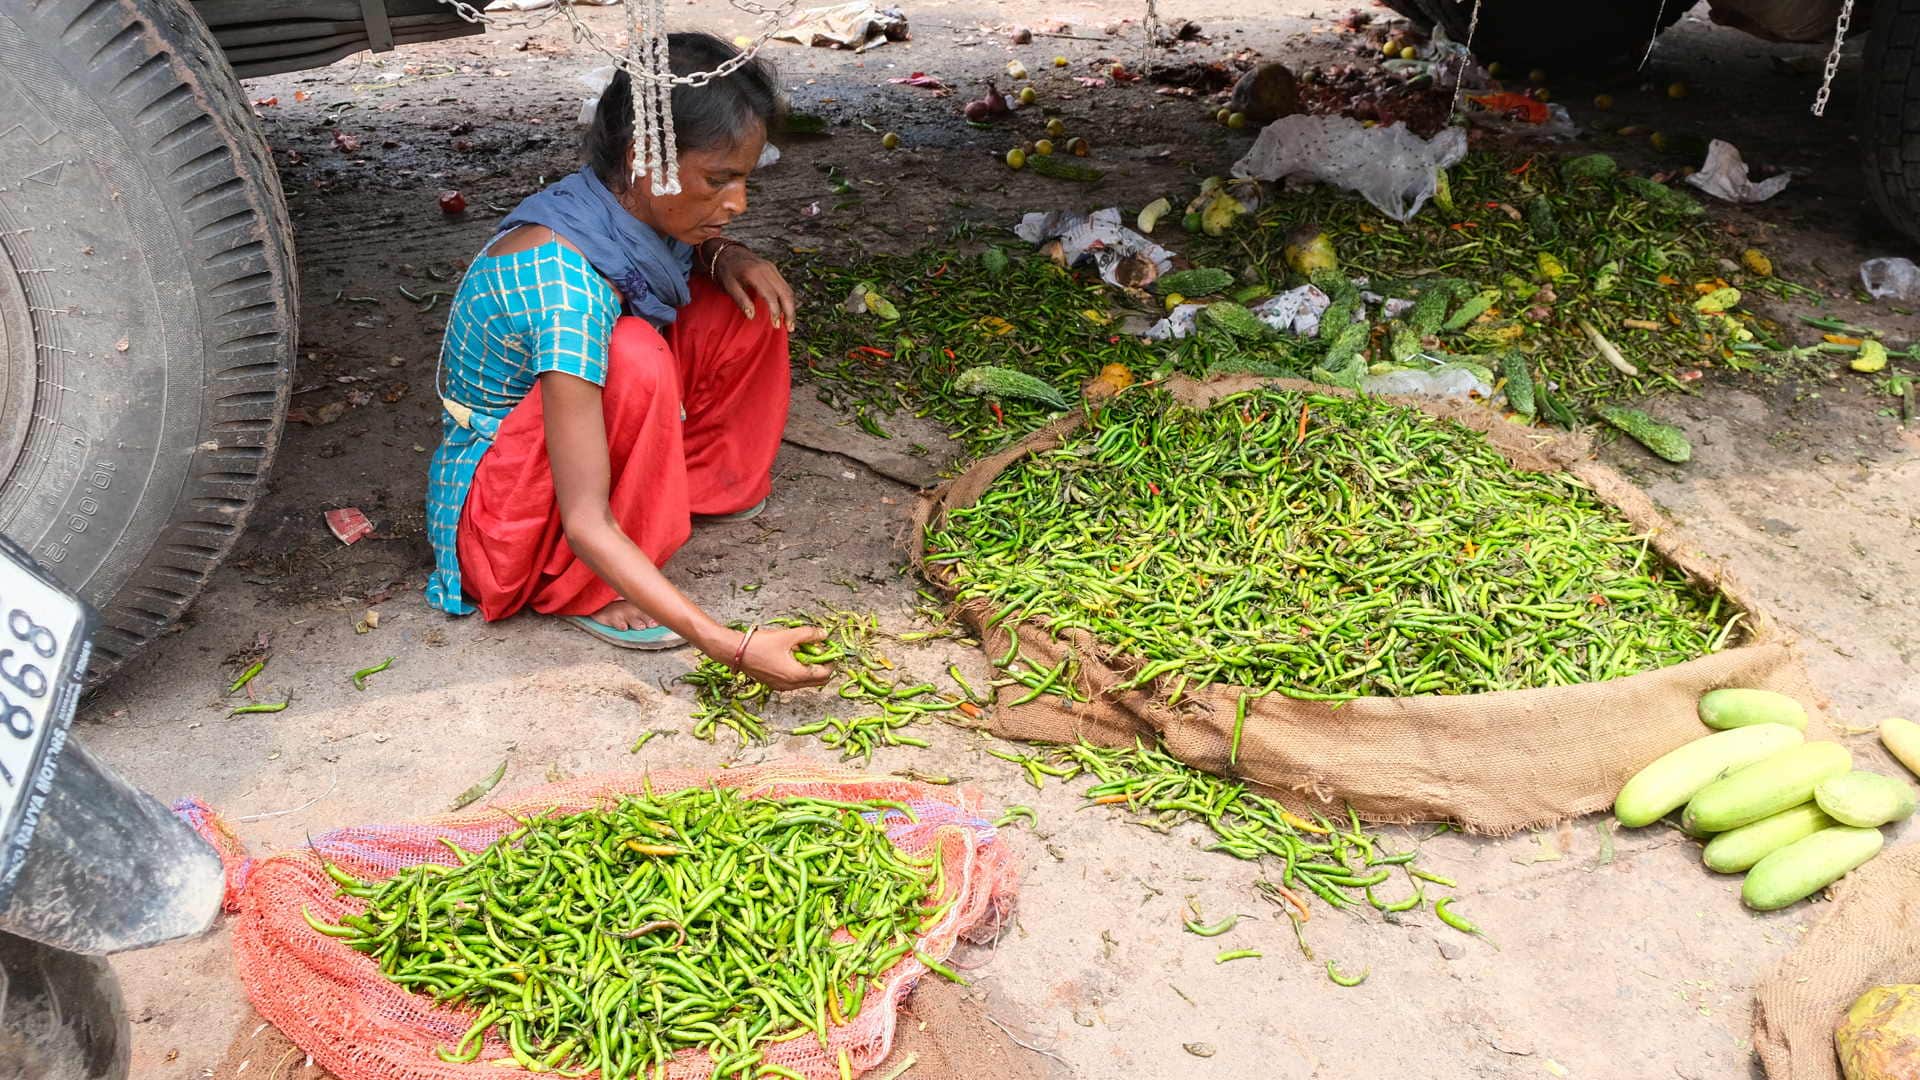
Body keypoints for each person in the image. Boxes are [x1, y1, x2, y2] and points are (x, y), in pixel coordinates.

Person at [423, 33, 829, 691]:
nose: (738, 204)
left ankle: (688, 490)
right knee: (636, 358)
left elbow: (686, 257)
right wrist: (725, 643)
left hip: (551, 461)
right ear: (649, 160)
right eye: (720, 180)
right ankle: (585, 589)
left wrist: (730, 255)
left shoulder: (614, 209)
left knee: (741, 307)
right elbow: (583, 519)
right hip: (502, 526)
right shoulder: (568, 293)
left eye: (746, 179)